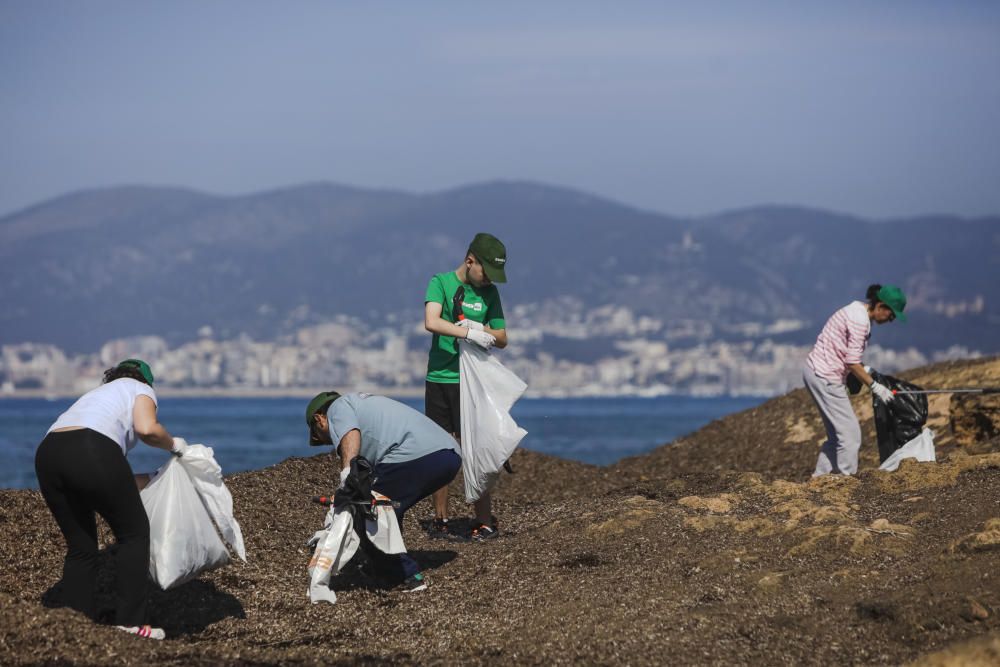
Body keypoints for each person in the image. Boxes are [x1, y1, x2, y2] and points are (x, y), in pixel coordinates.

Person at [34, 359, 187, 640]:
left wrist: (156, 477)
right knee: (134, 534)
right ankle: (131, 624)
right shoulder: (139, 387)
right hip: (93, 448)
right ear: (147, 380)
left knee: (81, 548)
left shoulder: (95, 398)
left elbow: (107, 480)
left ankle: (73, 626)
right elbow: (147, 428)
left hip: (48, 452)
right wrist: (175, 445)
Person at [306, 391, 462, 591]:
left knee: (365, 509)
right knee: (387, 507)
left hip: (417, 454)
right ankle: (384, 568)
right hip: (449, 456)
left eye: (319, 437)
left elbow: (350, 434)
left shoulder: (338, 407)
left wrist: (347, 476)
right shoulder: (363, 408)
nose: (327, 443)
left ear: (319, 419)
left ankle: (405, 576)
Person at [423, 232, 509, 541]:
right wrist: (465, 334)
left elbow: (502, 337)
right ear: (470, 260)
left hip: (472, 381)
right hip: (440, 379)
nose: (488, 280)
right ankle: (440, 519)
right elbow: (431, 321)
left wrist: (478, 328)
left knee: (477, 449)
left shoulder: (490, 294)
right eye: (486, 272)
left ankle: (484, 521)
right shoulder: (441, 283)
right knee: (441, 449)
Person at [804, 284, 907, 476]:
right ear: (881, 306)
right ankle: (845, 482)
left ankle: (819, 480)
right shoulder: (860, 322)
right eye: (891, 315)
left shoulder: (856, 309)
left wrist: (864, 370)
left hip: (815, 371)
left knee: (837, 437)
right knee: (851, 436)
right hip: (825, 376)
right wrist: (876, 387)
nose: (891, 320)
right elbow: (852, 362)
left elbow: (845, 353)